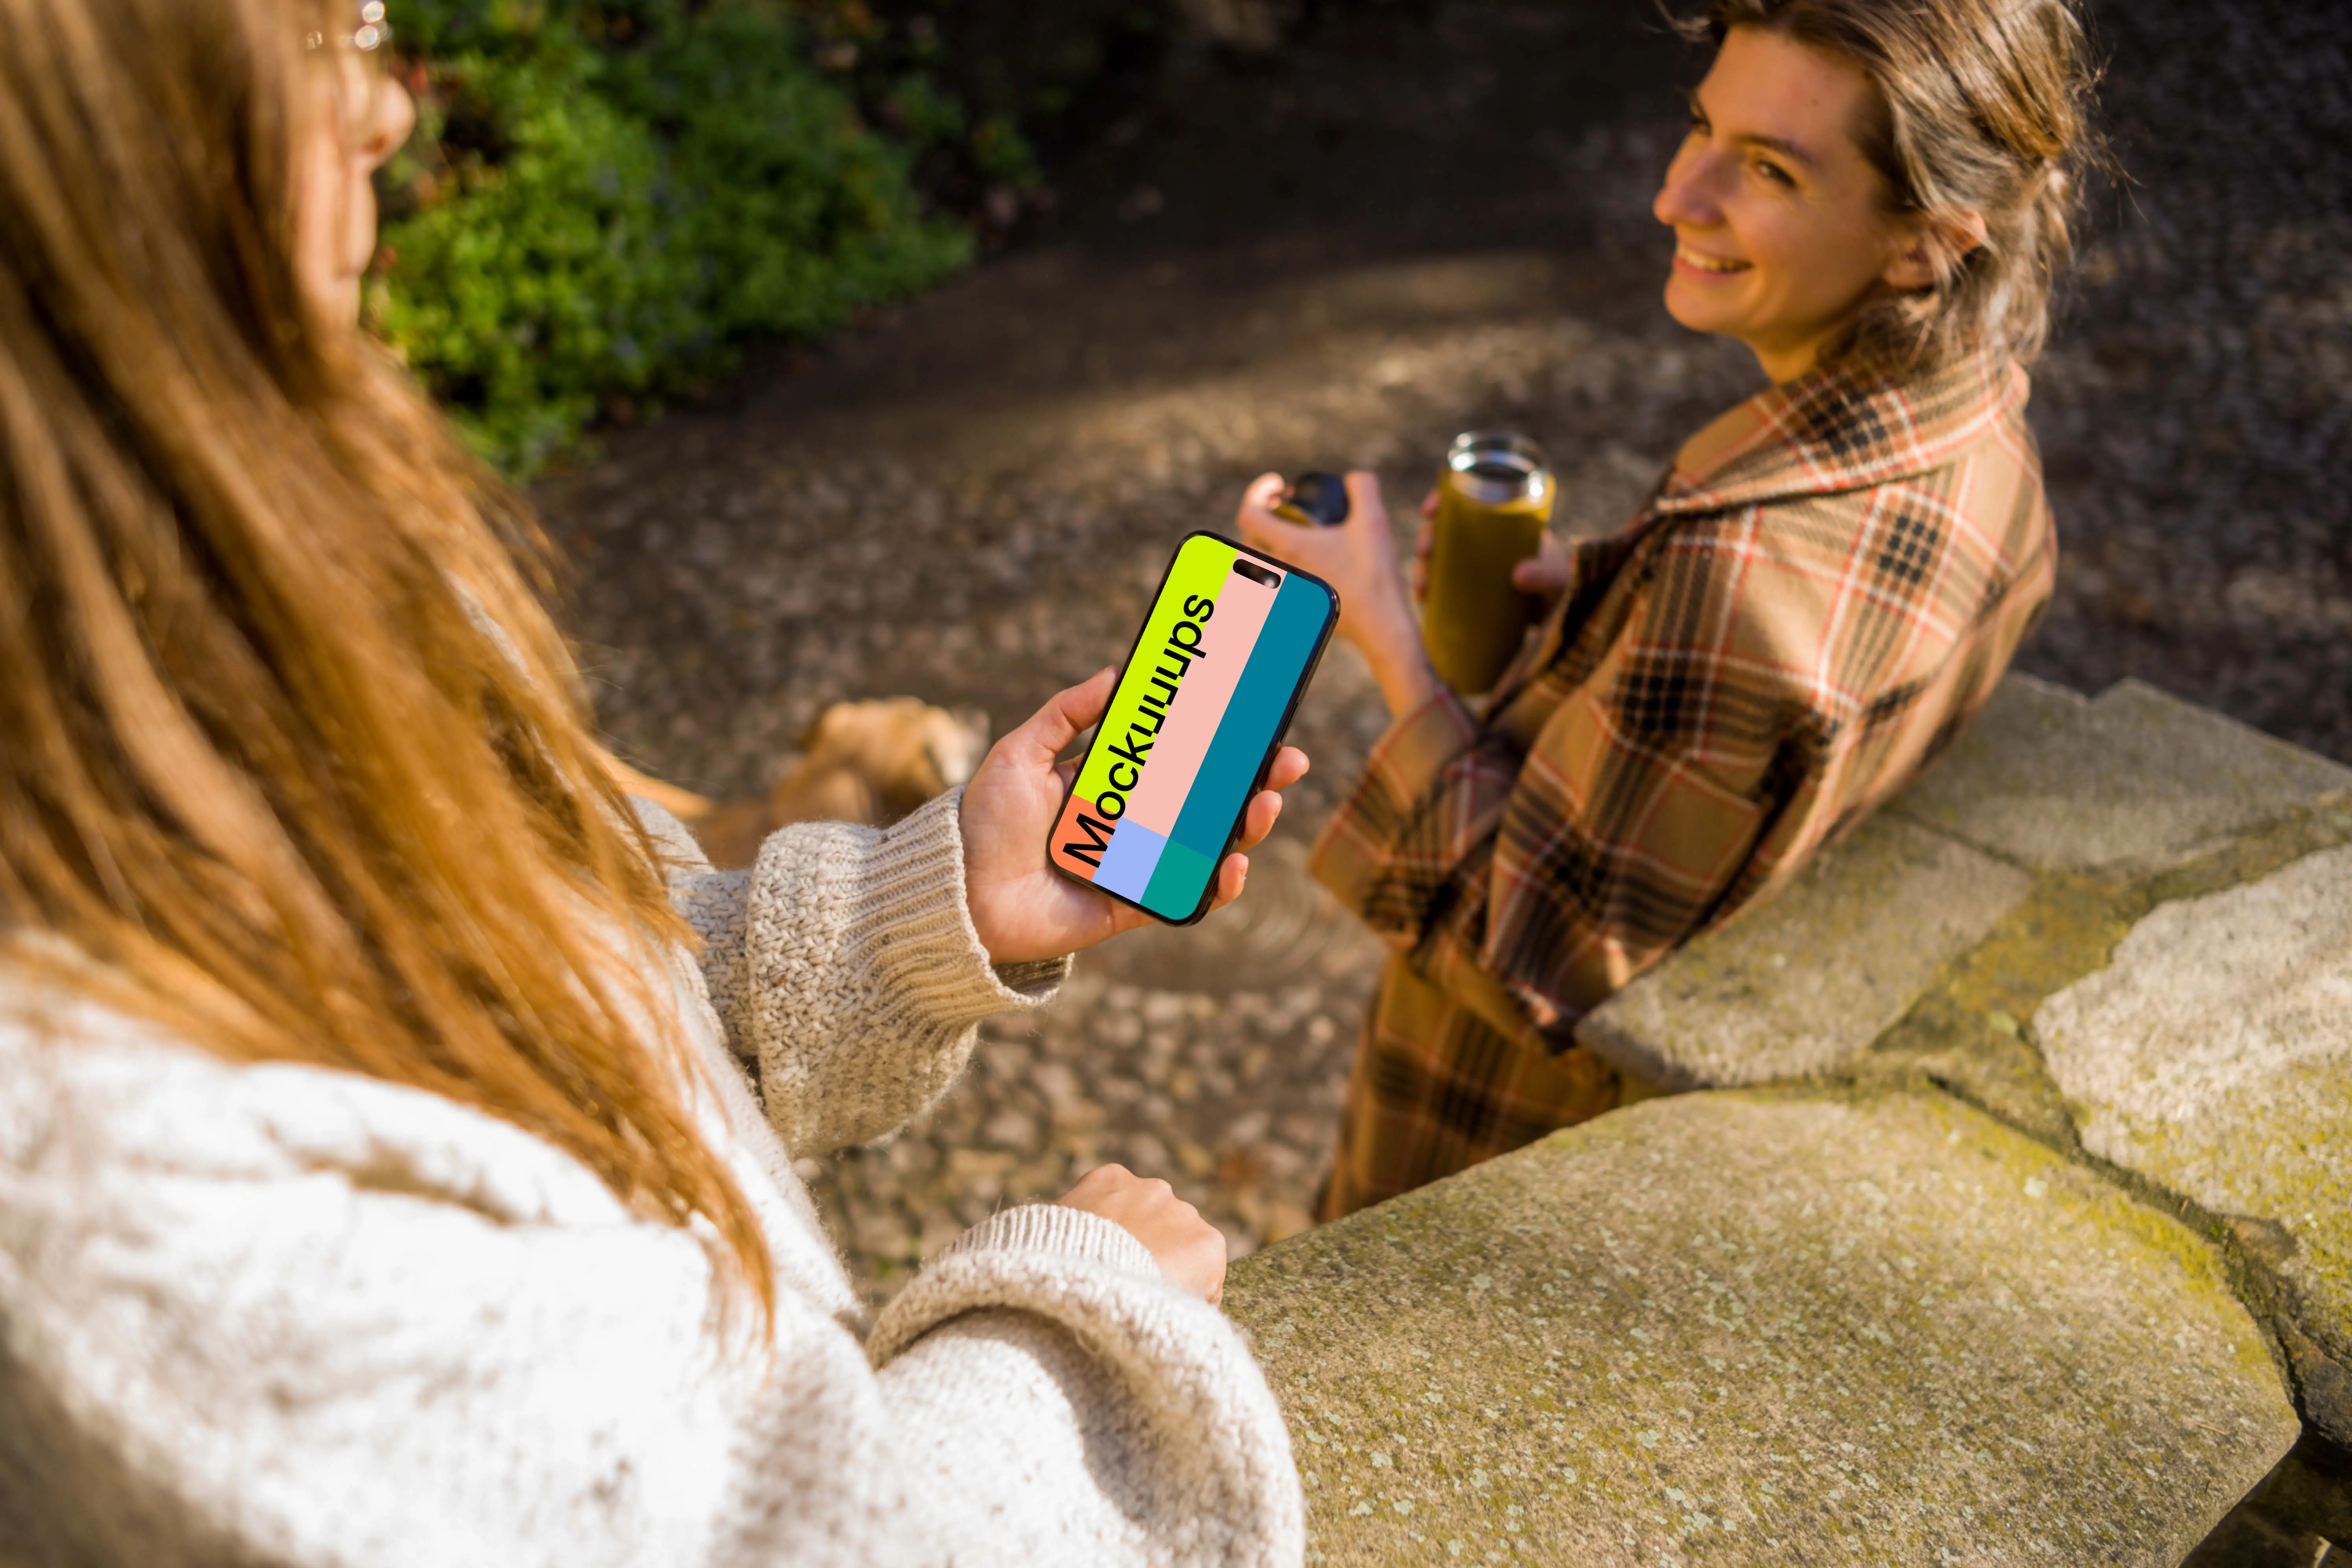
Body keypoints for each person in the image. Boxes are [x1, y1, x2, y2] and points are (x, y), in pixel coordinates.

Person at [0, 1, 1311, 1562]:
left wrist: (930, 907)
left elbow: (548, 1021)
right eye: (308, 37)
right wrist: (1081, 1327)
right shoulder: (109, 1178)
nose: (387, 113)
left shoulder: (225, 623)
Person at [1240, 0, 2096, 1219]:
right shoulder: (1987, 444)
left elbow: (1522, 955)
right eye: (1704, 126)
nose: (1676, 197)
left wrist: (1383, 627)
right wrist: (1607, 596)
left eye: (1767, 169)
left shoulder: (1736, 580)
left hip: (1493, 1168)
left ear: (1923, 245)